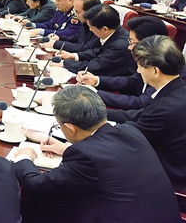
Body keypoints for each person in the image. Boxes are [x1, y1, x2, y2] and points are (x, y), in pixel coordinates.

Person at [12, 86, 180, 223]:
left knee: (40, 207)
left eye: (59, 126)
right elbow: (109, 159)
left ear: (70, 128)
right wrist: (66, 149)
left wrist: (24, 157)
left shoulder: (86, 157)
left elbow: (37, 185)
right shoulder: (129, 130)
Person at [106, 35, 186, 213]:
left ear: (156, 71)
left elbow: (127, 138)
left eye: (141, 66)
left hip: (170, 181)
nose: (138, 70)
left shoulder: (165, 108)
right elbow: (142, 115)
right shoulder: (178, 90)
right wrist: (100, 114)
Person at [78, 17, 174, 110]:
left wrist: (95, 93)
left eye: (134, 43)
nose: (129, 47)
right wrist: (96, 80)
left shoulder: (164, 69)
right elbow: (132, 82)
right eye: (130, 42)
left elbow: (140, 103)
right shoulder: (149, 60)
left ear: (151, 44)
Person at [52, 4, 137, 77]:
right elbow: (98, 51)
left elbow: (96, 66)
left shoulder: (119, 46)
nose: (90, 30)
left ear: (104, 29)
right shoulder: (116, 32)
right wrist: (73, 56)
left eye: (91, 27)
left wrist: (65, 63)